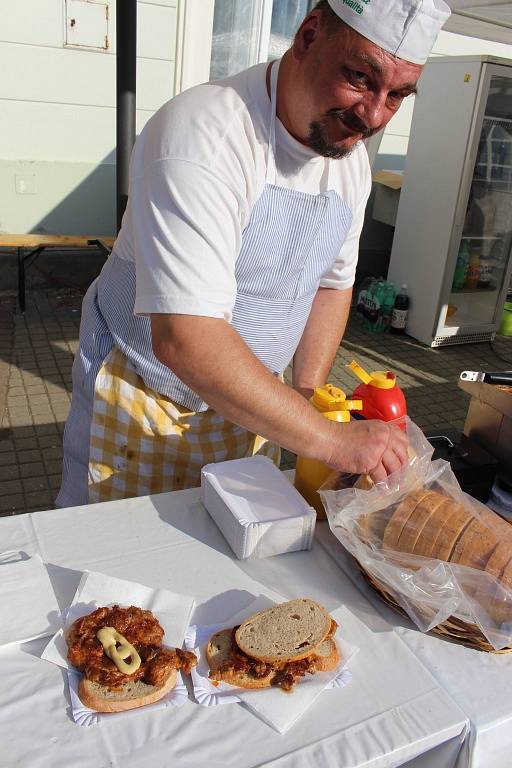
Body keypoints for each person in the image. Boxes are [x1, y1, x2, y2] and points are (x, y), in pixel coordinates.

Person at [57, 0, 450, 507]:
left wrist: (308, 395)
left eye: (396, 96)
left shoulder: (348, 163)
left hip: (253, 405)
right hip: (143, 401)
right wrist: (328, 439)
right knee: (114, 565)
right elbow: (185, 337)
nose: (373, 115)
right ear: (308, 36)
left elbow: (331, 285)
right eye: (358, 77)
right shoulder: (206, 132)